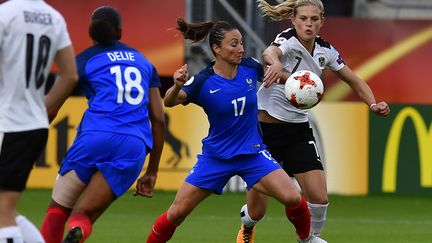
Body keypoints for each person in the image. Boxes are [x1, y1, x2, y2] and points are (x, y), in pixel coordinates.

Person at [140, 17, 325, 243]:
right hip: (216, 158)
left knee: (293, 197)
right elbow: (169, 102)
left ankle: (306, 240)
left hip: (252, 154)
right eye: (234, 44)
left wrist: (301, 83)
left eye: (241, 43)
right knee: (177, 212)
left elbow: (275, 75)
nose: (241, 49)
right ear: (217, 49)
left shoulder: (249, 67)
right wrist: (177, 84)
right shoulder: (203, 80)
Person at [236, 0, 391, 242]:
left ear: (322, 22)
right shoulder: (286, 39)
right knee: (257, 211)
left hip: (298, 130)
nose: (308, 24)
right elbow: (270, 52)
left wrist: (372, 103)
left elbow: (354, 80)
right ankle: (247, 225)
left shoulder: (325, 51)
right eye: (303, 19)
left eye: (314, 19)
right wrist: (275, 63)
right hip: (265, 132)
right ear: (294, 21)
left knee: (319, 198)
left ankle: (308, 238)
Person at [39, 6, 165, 243]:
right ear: (119, 32)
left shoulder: (84, 60)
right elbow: (158, 119)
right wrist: (152, 171)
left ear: (91, 33)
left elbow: (51, 107)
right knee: (82, 215)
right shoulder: (144, 63)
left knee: (58, 209)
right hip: (132, 146)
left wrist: (29, 140)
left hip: (94, 138)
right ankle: (78, 229)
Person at [0, 0, 78, 242]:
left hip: (8, 124)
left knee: (2, 211)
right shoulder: (54, 17)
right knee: (7, 208)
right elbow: (70, 75)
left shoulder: (5, 14)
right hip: (32, 124)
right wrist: (38, 108)